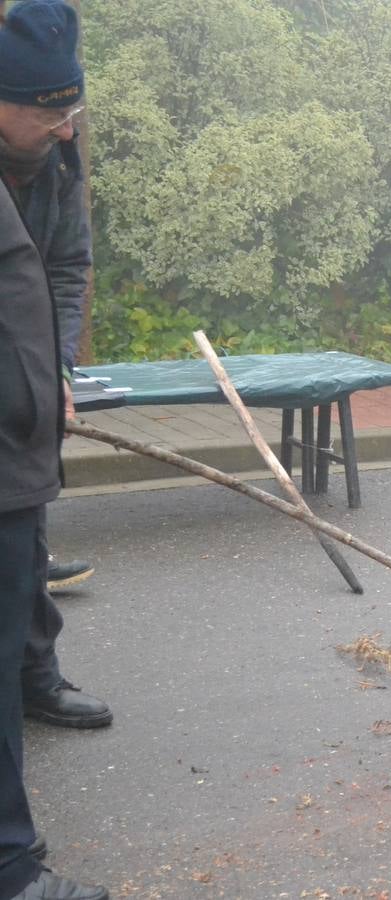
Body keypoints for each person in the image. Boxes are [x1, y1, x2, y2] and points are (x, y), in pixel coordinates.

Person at [0, 56, 108, 900]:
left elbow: (66, 266)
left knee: (30, 531)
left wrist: (59, 367)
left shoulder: (60, 155)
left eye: (74, 109)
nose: (67, 127)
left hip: (30, 396)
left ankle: (39, 677)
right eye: (49, 113)